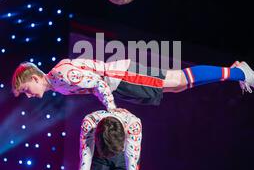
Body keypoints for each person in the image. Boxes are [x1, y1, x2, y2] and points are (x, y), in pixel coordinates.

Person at [12, 58, 254, 110]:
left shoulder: (60, 77)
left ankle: (240, 72)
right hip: (121, 81)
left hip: (122, 77)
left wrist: (111, 110)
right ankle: (234, 71)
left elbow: (97, 82)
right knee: (178, 86)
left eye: (26, 90)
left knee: (178, 78)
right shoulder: (57, 79)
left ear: (35, 78)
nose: (29, 95)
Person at [77, 108, 141, 170]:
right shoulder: (89, 123)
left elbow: (132, 157)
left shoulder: (133, 124)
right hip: (100, 154)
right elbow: (86, 153)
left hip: (124, 155)